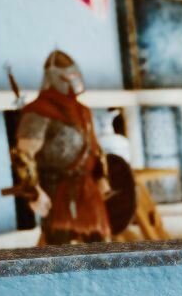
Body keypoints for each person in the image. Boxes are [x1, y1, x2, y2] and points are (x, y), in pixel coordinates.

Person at [12, 50, 112, 245]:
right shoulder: (38, 112)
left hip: (87, 189)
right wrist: (35, 192)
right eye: (67, 76)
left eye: (74, 75)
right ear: (54, 77)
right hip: (55, 189)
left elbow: (94, 148)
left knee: (100, 244)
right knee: (61, 247)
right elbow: (24, 156)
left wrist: (101, 176)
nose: (73, 81)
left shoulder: (82, 110)